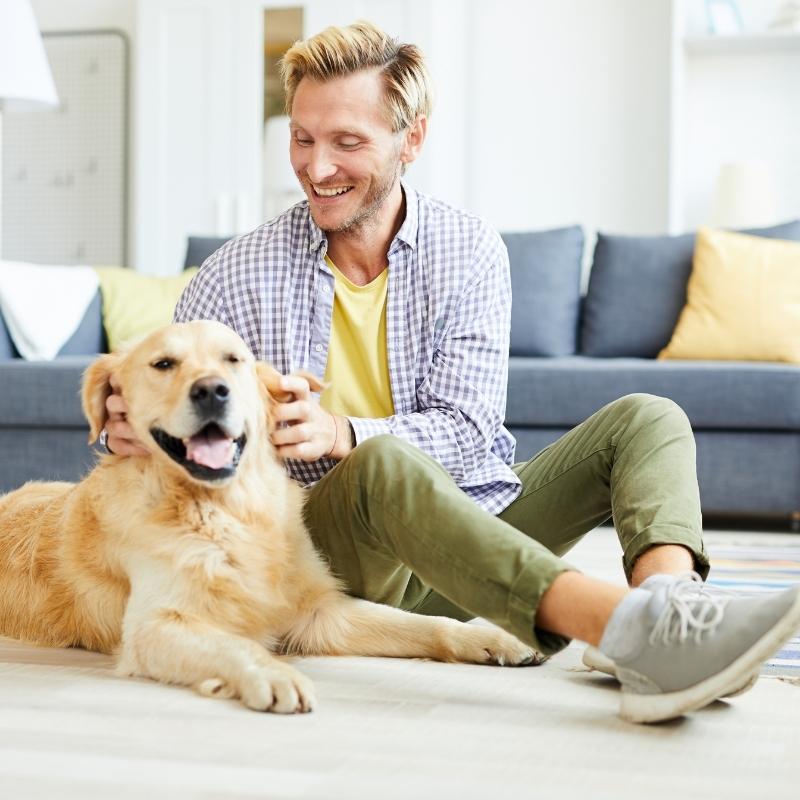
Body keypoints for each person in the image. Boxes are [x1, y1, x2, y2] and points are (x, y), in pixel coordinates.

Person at [104, 21, 800, 724]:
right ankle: (623, 629)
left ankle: (668, 616)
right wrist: (123, 425)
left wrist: (339, 427)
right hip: (331, 562)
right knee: (380, 464)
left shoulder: (467, 252)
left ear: (411, 140)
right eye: (303, 139)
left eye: (348, 142)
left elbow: (468, 432)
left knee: (649, 418)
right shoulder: (234, 276)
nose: (316, 168)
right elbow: (165, 432)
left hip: (473, 540)